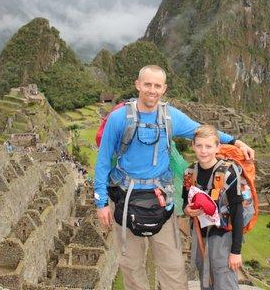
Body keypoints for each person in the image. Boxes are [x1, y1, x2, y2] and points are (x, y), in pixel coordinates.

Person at [94, 65, 254, 290]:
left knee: (172, 266)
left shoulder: (169, 116)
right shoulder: (119, 118)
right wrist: (101, 203)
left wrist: (234, 141)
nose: (152, 90)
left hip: (160, 199)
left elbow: (200, 131)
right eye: (147, 84)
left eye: (157, 85)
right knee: (131, 265)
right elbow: (102, 162)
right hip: (125, 198)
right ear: (138, 85)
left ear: (164, 88)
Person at [183, 125, 243, 290]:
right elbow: (184, 202)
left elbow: (238, 212)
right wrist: (186, 210)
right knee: (205, 281)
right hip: (199, 236)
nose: (203, 151)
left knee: (224, 283)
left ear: (217, 147)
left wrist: (236, 251)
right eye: (199, 146)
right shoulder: (189, 172)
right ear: (193, 146)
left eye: (209, 146)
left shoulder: (229, 173)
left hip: (222, 238)